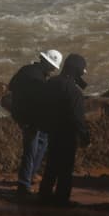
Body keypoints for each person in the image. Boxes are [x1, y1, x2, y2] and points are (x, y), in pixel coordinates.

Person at [8, 49, 63, 195]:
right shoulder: (39, 80)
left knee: (41, 143)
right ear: (46, 64)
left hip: (25, 115)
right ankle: (24, 184)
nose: (53, 70)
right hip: (30, 118)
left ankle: (29, 176)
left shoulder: (27, 70)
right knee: (32, 149)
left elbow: (11, 86)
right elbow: (38, 102)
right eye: (52, 67)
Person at [37, 53, 89, 207]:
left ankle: (44, 194)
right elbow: (78, 118)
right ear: (77, 71)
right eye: (82, 71)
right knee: (65, 169)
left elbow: (42, 105)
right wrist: (85, 137)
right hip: (68, 135)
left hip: (51, 131)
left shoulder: (51, 83)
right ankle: (61, 199)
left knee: (51, 165)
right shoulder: (75, 92)